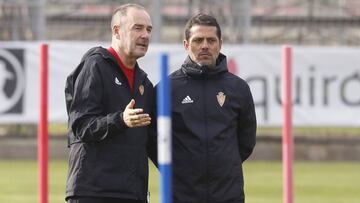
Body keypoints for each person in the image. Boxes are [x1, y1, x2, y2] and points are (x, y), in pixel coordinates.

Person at [64, 4, 156, 203]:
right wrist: (121, 119)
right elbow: (80, 126)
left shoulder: (145, 83)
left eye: (149, 29)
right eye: (138, 28)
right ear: (117, 31)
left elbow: (150, 142)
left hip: (132, 193)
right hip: (94, 192)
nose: (145, 35)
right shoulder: (94, 66)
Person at [168, 13, 257, 203]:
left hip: (228, 194)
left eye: (211, 40)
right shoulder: (168, 88)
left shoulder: (238, 89)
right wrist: (184, 169)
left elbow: (246, 140)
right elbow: (155, 140)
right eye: (198, 40)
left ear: (220, 44)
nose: (205, 46)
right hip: (182, 194)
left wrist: (223, 165)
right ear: (186, 45)